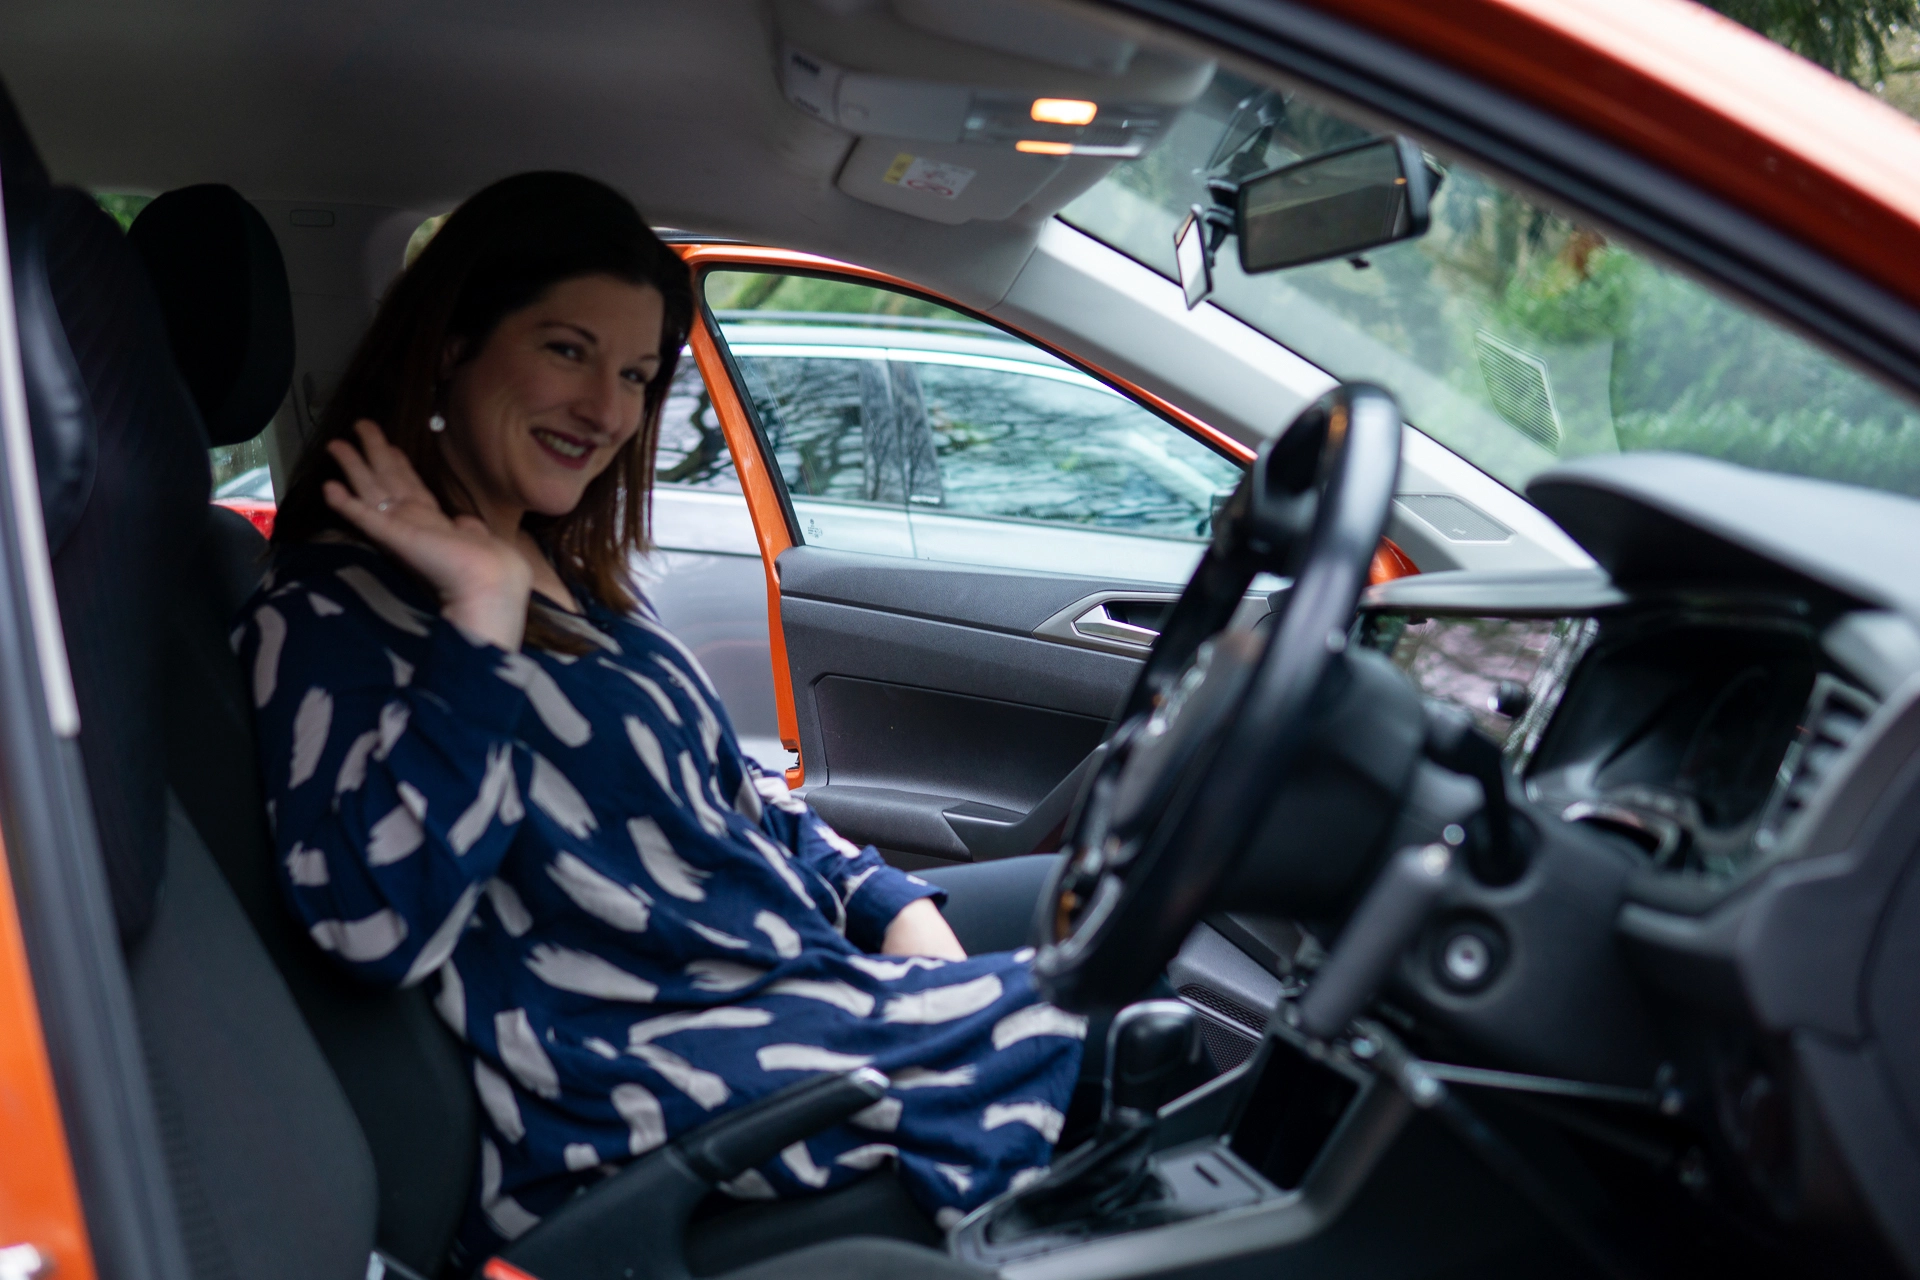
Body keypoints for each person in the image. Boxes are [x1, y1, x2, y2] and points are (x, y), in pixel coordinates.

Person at [239, 171, 1085, 1266]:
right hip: (644, 1086)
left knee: (1110, 953)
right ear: (452, 346)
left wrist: (890, 907)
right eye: (568, 350)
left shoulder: (565, 569)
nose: (608, 410)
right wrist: (477, 626)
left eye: (637, 374)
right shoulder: (328, 613)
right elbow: (374, 923)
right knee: (1107, 1019)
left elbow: (736, 798)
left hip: (779, 989)